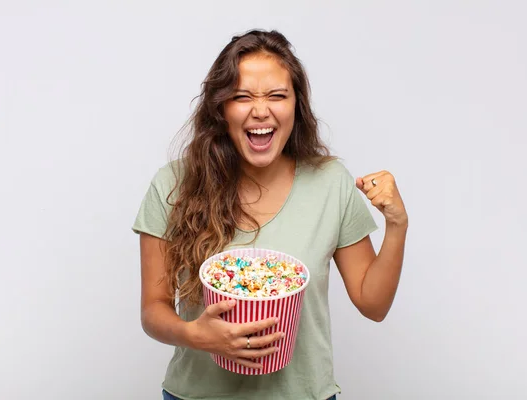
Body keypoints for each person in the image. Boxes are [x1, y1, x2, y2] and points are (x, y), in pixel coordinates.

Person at [132, 29, 408, 400]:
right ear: (220, 108)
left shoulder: (330, 183)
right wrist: (195, 334)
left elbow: (373, 305)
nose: (260, 110)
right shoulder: (173, 184)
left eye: (277, 95)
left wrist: (397, 224)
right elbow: (154, 309)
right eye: (241, 96)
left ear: (297, 105)